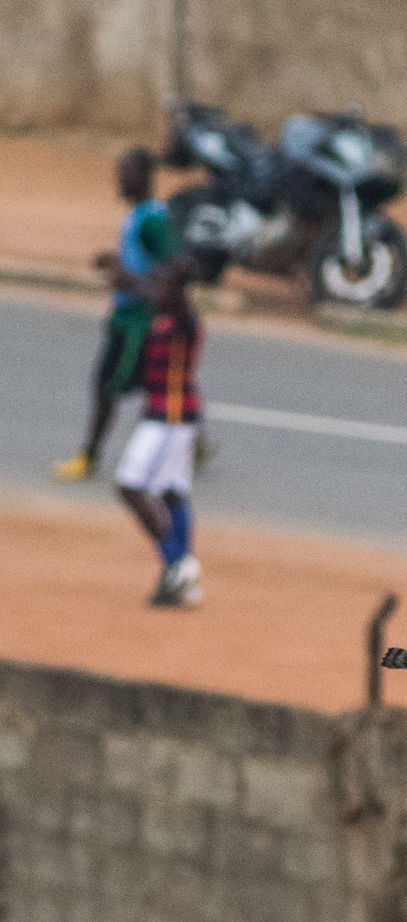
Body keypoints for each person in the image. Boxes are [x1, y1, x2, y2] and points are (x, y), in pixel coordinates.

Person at [54, 148, 178, 482]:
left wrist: (131, 281)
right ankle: (191, 442)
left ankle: (90, 457)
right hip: (127, 316)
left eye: (125, 172)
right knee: (155, 384)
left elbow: (173, 268)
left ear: (144, 176)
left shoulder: (152, 219)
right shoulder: (139, 213)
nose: (119, 179)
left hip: (137, 322)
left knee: (108, 387)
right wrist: (113, 260)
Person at [114, 258, 205, 607]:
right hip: (171, 417)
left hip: (169, 418)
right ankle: (181, 571)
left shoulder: (184, 321)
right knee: (171, 493)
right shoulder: (163, 317)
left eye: (165, 284)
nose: (158, 289)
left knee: (130, 484)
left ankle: (176, 563)